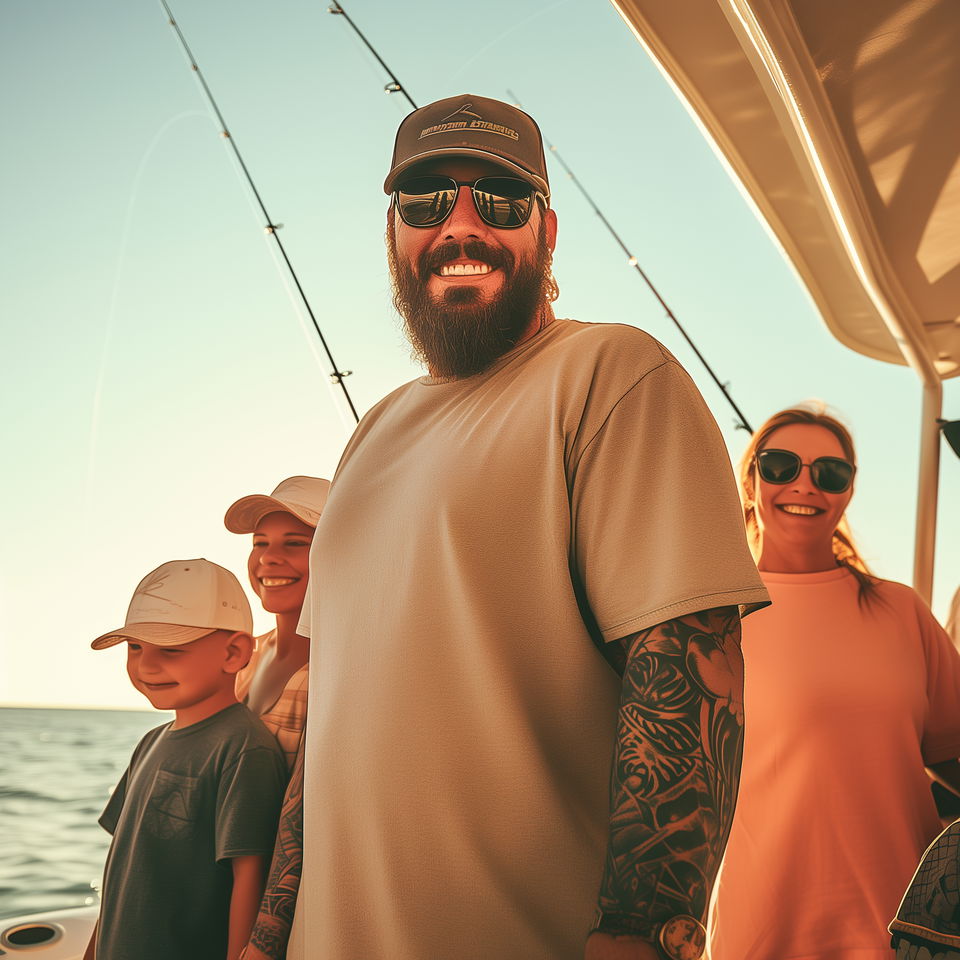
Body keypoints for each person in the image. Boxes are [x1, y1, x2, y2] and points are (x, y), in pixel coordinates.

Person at [245, 94, 768, 960]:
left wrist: (644, 937)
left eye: (499, 200)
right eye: (424, 204)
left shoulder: (616, 374)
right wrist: (269, 936)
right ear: (394, 234)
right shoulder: (370, 432)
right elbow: (333, 722)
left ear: (548, 231)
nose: (460, 227)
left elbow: (686, 679)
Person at [709, 405, 960, 960]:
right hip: (760, 931)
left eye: (829, 472)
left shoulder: (901, 610)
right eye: (780, 466)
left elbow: (953, 758)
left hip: (912, 931)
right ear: (750, 481)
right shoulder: (710, 621)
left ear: (847, 492)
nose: (804, 484)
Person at [84, 558, 287, 960]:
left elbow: (248, 875)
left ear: (233, 653)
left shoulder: (244, 748)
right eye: (136, 647)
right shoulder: (150, 742)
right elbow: (120, 872)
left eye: (171, 650)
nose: (146, 665)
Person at [224, 475, 331, 769]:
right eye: (260, 543)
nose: (268, 558)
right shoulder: (246, 655)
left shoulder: (346, 669)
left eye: (295, 543)